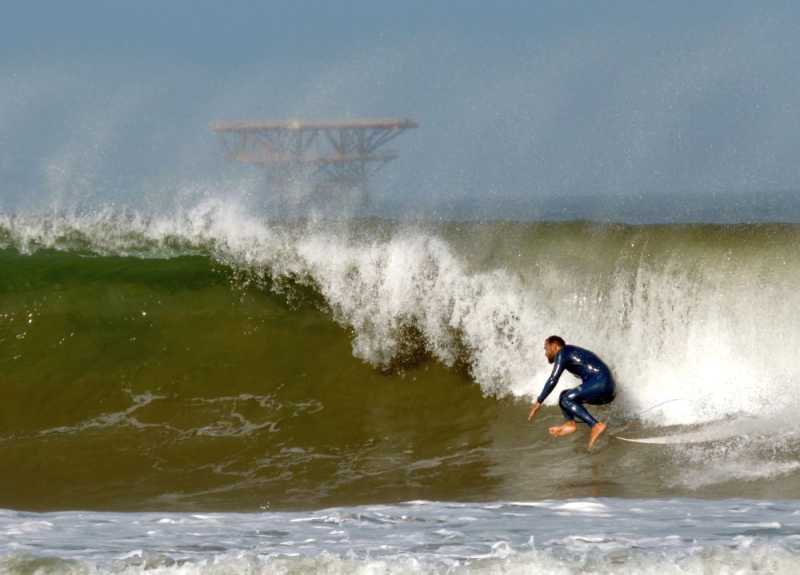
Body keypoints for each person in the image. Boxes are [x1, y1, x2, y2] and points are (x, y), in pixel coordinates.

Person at [527, 335, 616, 449]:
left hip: (601, 383)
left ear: (554, 346)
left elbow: (553, 379)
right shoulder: (571, 352)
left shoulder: (563, 352)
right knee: (563, 395)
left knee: (566, 398)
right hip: (607, 389)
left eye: (546, 348)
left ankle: (595, 425)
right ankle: (570, 423)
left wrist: (539, 402)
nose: (545, 353)